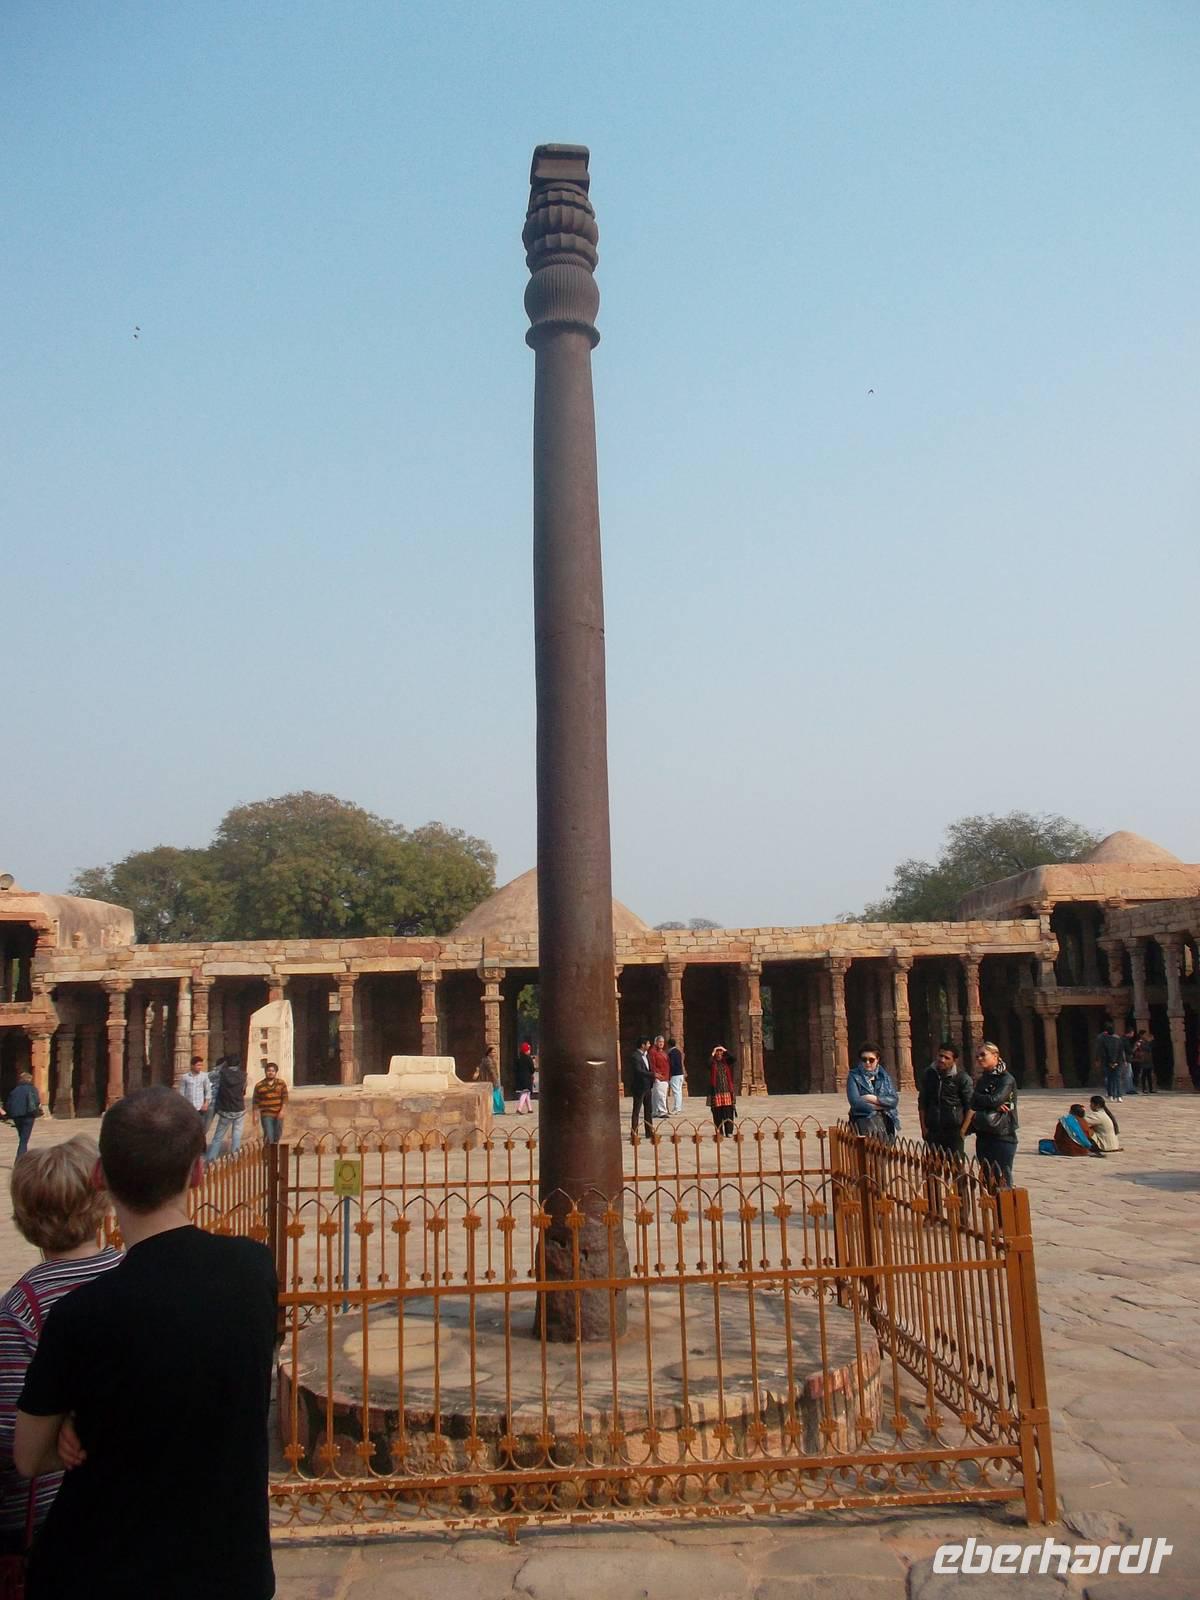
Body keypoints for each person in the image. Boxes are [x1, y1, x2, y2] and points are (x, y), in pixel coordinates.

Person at [14, 1087, 277, 1600]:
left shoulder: (81, 1315)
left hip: (104, 1571)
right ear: (198, 1172)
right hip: (228, 1568)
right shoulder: (253, 1270)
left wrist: (74, 1424)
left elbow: (29, 1457)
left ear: (99, 1177)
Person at [0, 1138, 119, 1552]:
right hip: (127, 1498)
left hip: (48, 1515)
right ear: (101, 1202)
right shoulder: (135, 1276)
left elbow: (11, 1431)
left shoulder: (22, 1307)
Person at [968, 1043, 1018, 1187]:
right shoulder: (983, 1080)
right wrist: (991, 1103)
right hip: (983, 1134)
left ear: (995, 1056)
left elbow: (995, 1099)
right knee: (987, 1180)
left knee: (1002, 1180)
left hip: (1002, 1135)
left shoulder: (1006, 1079)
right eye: (977, 1056)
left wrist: (984, 1100)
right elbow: (973, 1102)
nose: (979, 1058)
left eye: (983, 1055)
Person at [917, 1043, 972, 1160]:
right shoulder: (929, 1074)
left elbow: (970, 1107)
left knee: (955, 1165)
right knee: (933, 1165)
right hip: (933, 1129)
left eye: (947, 1058)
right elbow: (922, 1103)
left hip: (954, 1131)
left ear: (954, 1060)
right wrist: (923, 1128)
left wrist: (962, 1131)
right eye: (940, 1056)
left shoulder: (961, 1078)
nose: (942, 1060)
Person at [846, 1045, 899, 1144]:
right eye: (864, 1059)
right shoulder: (854, 1076)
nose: (867, 1063)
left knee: (884, 1152)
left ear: (877, 1059)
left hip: (885, 1122)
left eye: (871, 1060)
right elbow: (855, 1103)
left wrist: (871, 1098)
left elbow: (893, 1101)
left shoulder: (884, 1076)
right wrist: (883, 1105)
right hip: (863, 1122)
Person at [205, 1052, 247, 1163]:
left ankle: (211, 1160)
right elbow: (243, 1091)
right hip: (239, 1108)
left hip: (226, 1109)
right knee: (236, 1135)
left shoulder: (221, 1073)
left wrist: (221, 1066)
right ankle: (235, 1159)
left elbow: (209, 1076)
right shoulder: (243, 1075)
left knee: (218, 1137)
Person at [2, 1074, 41, 1159]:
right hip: (28, 1116)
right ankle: (20, 1159)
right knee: (23, 1140)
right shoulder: (32, 1089)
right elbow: (37, 1101)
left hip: (16, 1117)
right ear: (29, 1079)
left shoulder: (15, 1090)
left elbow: (8, 1103)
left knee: (22, 1138)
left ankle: (24, 1156)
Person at [251, 1061, 287, 1144]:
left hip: (278, 1113)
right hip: (266, 1114)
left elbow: (285, 1098)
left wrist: (282, 1111)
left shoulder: (281, 1083)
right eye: (269, 1071)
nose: (270, 1073)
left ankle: (274, 1150)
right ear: (265, 1072)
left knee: (277, 1135)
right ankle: (268, 1151)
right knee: (269, 1136)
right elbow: (255, 1101)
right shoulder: (259, 1085)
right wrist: (255, 1115)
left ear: (276, 1072)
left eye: (273, 1071)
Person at [628, 1037, 655, 1140]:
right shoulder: (635, 1056)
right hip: (639, 1087)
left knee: (648, 1110)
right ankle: (634, 1133)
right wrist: (652, 1074)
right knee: (637, 1110)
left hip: (647, 1086)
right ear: (643, 1045)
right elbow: (638, 1071)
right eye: (648, 1044)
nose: (649, 1045)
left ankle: (649, 1132)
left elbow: (649, 1068)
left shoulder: (647, 1055)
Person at [708, 1046, 737, 1135]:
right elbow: (707, 1063)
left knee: (728, 1112)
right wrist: (713, 1052)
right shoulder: (713, 1063)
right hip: (716, 1092)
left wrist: (725, 1050)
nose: (719, 1053)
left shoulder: (726, 1062)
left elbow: (734, 1058)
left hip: (727, 1091)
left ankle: (729, 1131)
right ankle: (719, 1131)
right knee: (717, 1113)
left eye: (720, 1052)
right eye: (717, 1052)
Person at [1094, 1023, 1124, 1103]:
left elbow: (1102, 1052)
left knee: (1109, 1079)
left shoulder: (1103, 1039)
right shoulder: (1118, 1039)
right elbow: (1120, 1052)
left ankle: (1111, 1095)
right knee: (1117, 1079)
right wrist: (1117, 1062)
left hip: (1107, 1062)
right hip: (1117, 1062)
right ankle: (1119, 1096)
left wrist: (1107, 1062)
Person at [648, 1035, 671, 1119]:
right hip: (659, 1076)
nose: (661, 1043)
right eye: (660, 1042)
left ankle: (655, 1111)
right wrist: (655, 1074)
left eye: (662, 1042)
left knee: (658, 1095)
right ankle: (662, 1111)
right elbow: (652, 1064)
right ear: (656, 1042)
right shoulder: (653, 1052)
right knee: (660, 1095)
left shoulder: (663, 1052)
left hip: (665, 1076)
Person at [477, 1046, 505, 1115]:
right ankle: (497, 1109)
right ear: (489, 1053)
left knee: (494, 1095)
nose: (494, 1053)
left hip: (490, 1080)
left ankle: (496, 1109)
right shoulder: (488, 1061)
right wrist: (496, 1081)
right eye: (493, 1052)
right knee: (495, 1095)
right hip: (491, 1080)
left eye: (495, 1052)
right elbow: (492, 1071)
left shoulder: (488, 1060)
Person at [666, 1037, 686, 1114]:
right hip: (680, 1074)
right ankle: (678, 1107)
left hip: (675, 1074)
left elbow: (672, 1064)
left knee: (676, 1092)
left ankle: (677, 1108)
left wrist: (669, 1073)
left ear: (669, 1045)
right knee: (679, 1091)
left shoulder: (671, 1053)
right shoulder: (678, 1051)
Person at [514, 1042, 534, 1115]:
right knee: (525, 1092)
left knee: (527, 1093)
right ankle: (519, 1109)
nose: (529, 1051)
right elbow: (532, 1069)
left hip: (520, 1078)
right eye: (529, 1049)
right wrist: (531, 1073)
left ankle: (530, 1109)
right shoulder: (528, 1058)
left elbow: (515, 1068)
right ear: (526, 1050)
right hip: (527, 1078)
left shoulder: (519, 1058)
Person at [1120, 1026, 1138, 1096]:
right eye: (1133, 1033)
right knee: (1128, 1075)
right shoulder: (1125, 1040)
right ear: (1130, 1033)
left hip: (1124, 1060)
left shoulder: (1122, 1039)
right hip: (1126, 1060)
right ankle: (1129, 1089)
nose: (1133, 1035)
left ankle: (1128, 1089)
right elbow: (1127, 1051)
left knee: (1128, 1074)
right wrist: (1135, 1046)